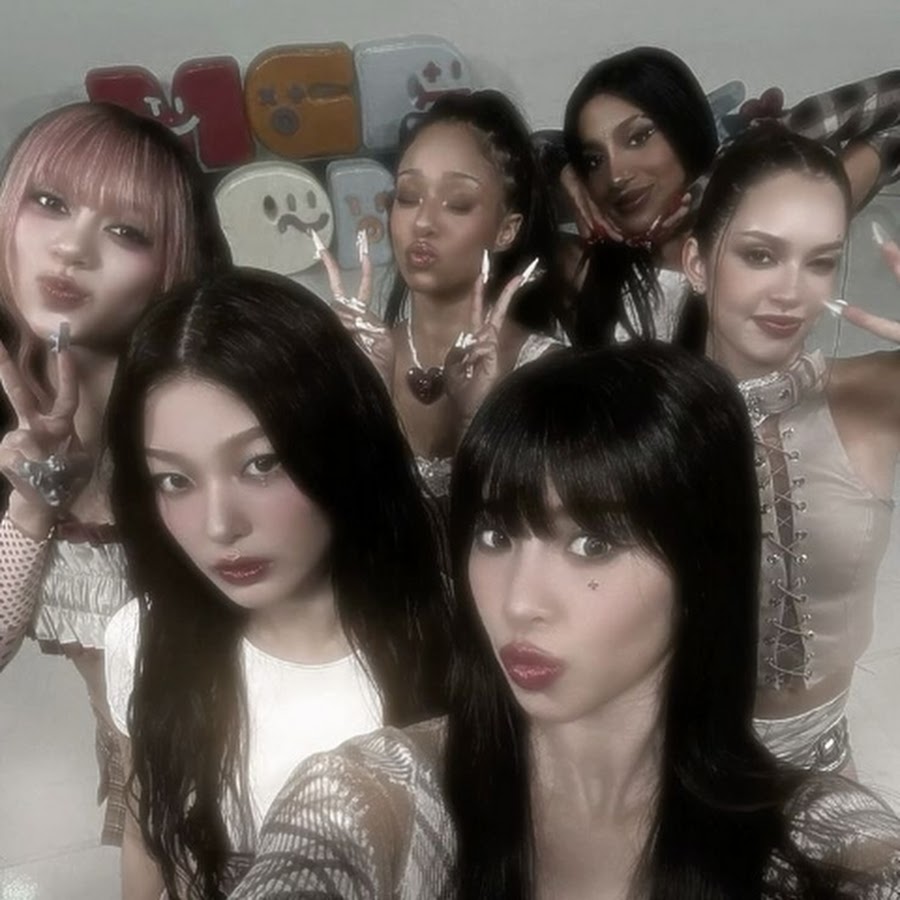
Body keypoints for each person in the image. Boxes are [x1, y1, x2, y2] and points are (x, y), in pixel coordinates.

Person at [230, 342, 900, 899]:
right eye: (495, 535)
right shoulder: (374, 798)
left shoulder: (824, 850)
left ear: (702, 565)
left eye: (592, 544)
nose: (520, 601)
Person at [103, 268, 450, 898]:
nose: (219, 526)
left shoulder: (451, 639)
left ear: (341, 446)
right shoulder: (142, 636)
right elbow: (146, 835)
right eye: (175, 480)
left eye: (261, 464)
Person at [0, 101, 228, 843]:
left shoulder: (217, 407)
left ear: (173, 265)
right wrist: (33, 505)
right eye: (49, 202)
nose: (72, 247)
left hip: (249, 780)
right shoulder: (10, 415)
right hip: (136, 784)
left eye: (126, 231)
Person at [682, 123, 900, 773]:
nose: (791, 292)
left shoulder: (873, 394)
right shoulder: (638, 413)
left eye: (820, 261)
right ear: (697, 264)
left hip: (824, 768)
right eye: (760, 255)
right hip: (674, 773)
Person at [546, 46, 900, 348]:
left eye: (639, 138)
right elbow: (520, 155)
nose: (616, 175)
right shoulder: (580, 264)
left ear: (684, 128)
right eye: (593, 160)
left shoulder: (768, 227)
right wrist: (564, 171)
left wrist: (711, 185)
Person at [317, 89, 565, 498]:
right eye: (407, 197)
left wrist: (475, 419)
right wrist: (364, 404)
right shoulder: (357, 358)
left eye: (457, 203)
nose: (423, 222)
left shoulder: (550, 375)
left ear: (506, 230)